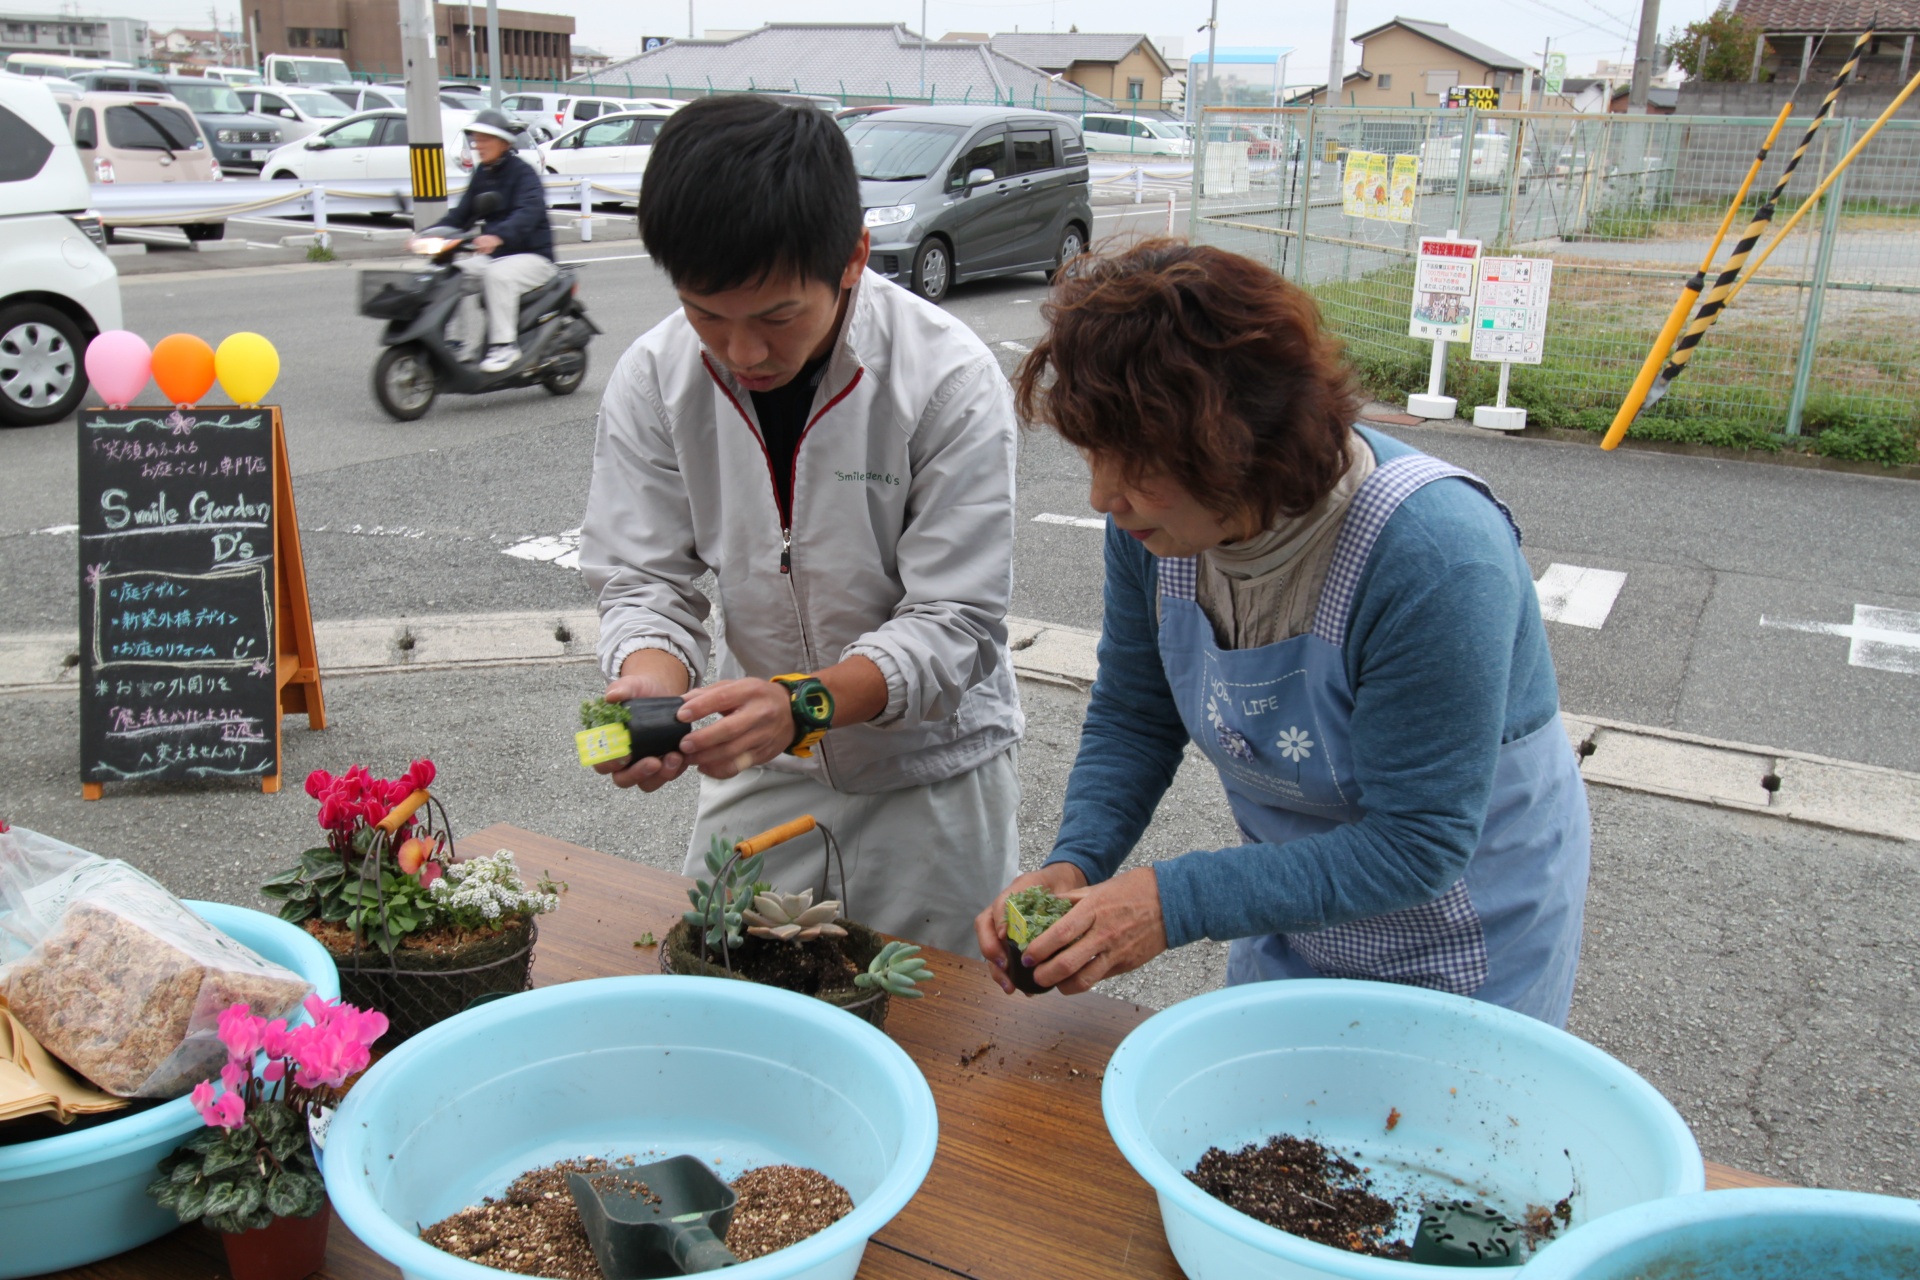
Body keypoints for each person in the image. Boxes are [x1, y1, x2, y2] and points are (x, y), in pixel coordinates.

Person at [974, 240, 1590, 1026]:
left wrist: (1173, 900)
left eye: (1135, 463)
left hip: (1465, 928)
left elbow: (1419, 843)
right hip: (1294, 910)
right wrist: (1077, 860)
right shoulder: (1159, 531)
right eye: (1095, 454)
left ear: (1238, 444)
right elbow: (1137, 710)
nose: (1103, 497)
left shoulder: (1433, 556)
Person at [578, 95, 1023, 955]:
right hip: (764, 757)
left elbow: (956, 624)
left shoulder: (945, 378)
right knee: (719, 994)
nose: (743, 353)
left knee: (929, 1037)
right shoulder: (655, 376)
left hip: (927, 775)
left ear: (854, 255)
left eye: (778, 317)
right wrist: (650, 681)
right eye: (707, 313)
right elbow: (647, 580)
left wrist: (803, 702)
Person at [443, 109, 554, 373]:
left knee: (497, 275)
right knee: (450, 276)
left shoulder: (523, 174)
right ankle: (454, 343)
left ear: (504, 142)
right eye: (476, 140)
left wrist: (497, 236)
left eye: (485, 140)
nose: (478, 145)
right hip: (498, 256)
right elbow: (461, 214)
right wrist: (429, 234)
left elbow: (527, 214)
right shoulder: (483, 173)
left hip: (533, 257)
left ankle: (504, 347)